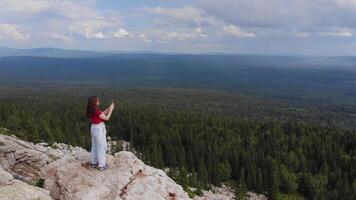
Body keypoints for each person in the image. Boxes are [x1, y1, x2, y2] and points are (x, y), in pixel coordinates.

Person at [86, 96, 114, 171]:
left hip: (94, 128)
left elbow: (102, 113)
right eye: (97, 101)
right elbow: (107, 118)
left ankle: (94, 162)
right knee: (101, 147)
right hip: (98, 129)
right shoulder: (95, 110)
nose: (99, 102)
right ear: (94, 102)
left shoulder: (93, 109)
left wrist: (109, 107)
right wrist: (111, 110)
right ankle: (102, 165)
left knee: (95, 146)